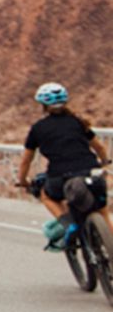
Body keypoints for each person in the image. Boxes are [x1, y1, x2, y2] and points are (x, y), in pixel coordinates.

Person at [17, 81, 108, 248]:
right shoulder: (78, 122)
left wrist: (23, 180)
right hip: (90, 171)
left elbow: (26, 160)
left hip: (60, 177)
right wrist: (105, 162)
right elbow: (99, 147)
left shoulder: (38, 128)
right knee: (101, 209)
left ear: (43, 105)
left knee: (47, 195)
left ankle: (68, 224)